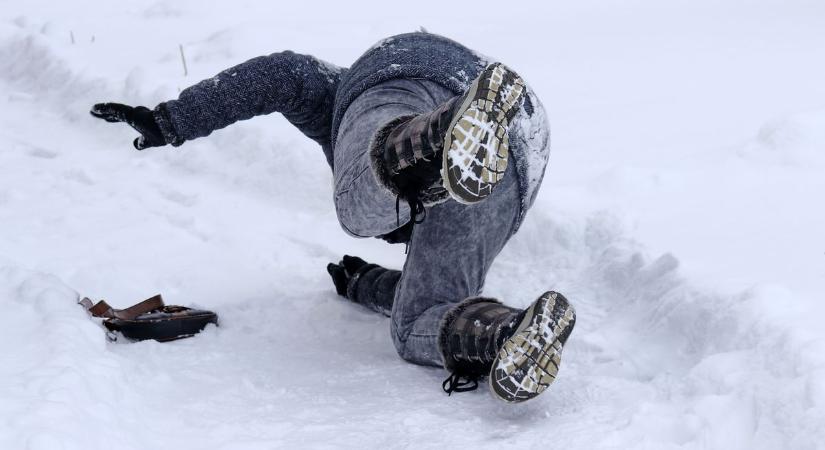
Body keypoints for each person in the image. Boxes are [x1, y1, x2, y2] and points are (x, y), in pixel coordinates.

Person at [90, 31, 576, 403]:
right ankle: (510, 336)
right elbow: (411, 287)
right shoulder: (464, 179)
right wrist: (363, 284)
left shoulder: (334, 92)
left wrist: (171, 120)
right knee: (415, 325)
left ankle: (438, 132)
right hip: (522, 149)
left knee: (360, 208)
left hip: (404, 71)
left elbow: (281, 74)